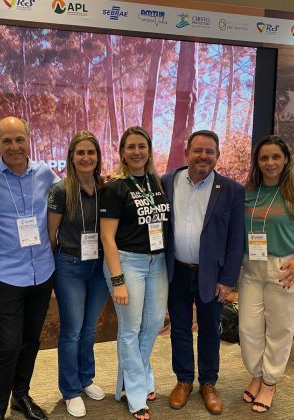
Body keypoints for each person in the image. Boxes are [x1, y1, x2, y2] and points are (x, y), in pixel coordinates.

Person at [0, 116, 59, 420]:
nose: (14, 146)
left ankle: (20, 395)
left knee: (31, 340)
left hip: (43, 271)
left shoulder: (45, 173)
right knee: (9, 345)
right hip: (8, 275)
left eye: (19, 139)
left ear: (28, 139)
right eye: (6, 140)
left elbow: (70, 197)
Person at [161, 130, 245, 415]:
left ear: (217, 156)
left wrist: (228, 279)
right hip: (177, 271)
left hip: (212, 275)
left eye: (210, 151)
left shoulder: (231, 190)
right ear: (187, 153)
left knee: (209, 330)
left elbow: (236, 240)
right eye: (198, 150)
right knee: (180, 328)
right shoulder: (167, 182)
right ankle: (184, 380)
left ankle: (208, 383)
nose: (203, 156)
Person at [239, 135, 294, 413]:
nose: (270, 162)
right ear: (257, 161)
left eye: (276, 156)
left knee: (279, 330)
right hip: (252, 266)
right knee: (248, 328)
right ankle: (256, 374)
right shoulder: (249, 190)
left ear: (286, 159)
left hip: (286, 267)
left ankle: (269, 382)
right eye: (264, 158)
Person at [99, 126, 170, 420]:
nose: (137, 152)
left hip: (158, 262)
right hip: (127, 262)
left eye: (142, 146)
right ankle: (137, 394)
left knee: (152, 325)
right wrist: (118, 280)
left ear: (149, 151)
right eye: (131, 147)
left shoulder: (156, 182)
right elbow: (107, 238)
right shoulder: (115, 187)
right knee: (130, 328)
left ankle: (129, 381)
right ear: (122, 152)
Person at [47, 131, 109, 417]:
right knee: (71, 331)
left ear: (98, 157)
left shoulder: (105, 188)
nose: (86, 157)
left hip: (99, 266)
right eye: (80, 152)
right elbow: (51, 235)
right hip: (70, 266)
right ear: (71, 157)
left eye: (91, 152)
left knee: (89, 328)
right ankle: (70, 390)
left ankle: (86, 379)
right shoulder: (60, 191)